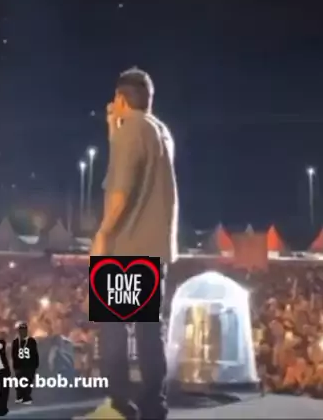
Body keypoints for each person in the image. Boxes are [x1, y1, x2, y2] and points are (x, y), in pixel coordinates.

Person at [86, 67, 179, 420]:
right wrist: (114, 131)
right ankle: (154, 407)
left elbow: (120, 192)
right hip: (153, 247)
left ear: (121, 99)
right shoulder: (159, 131)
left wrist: (102, 234)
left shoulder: (132, 133)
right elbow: (131, 171)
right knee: (148, 332)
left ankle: (119, 404)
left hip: (125, 248)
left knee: (113, 331)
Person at [11, 322, 39, 405]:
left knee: (28, 382)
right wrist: (15, 365)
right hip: (19, 366)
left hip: (29, 366)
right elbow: (13, 354)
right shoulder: (16, 341)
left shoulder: (31, 341)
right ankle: (19, 396)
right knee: (19, 382)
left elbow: (35, 353)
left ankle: (27, 397)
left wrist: (35, 364)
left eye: (24, 330)